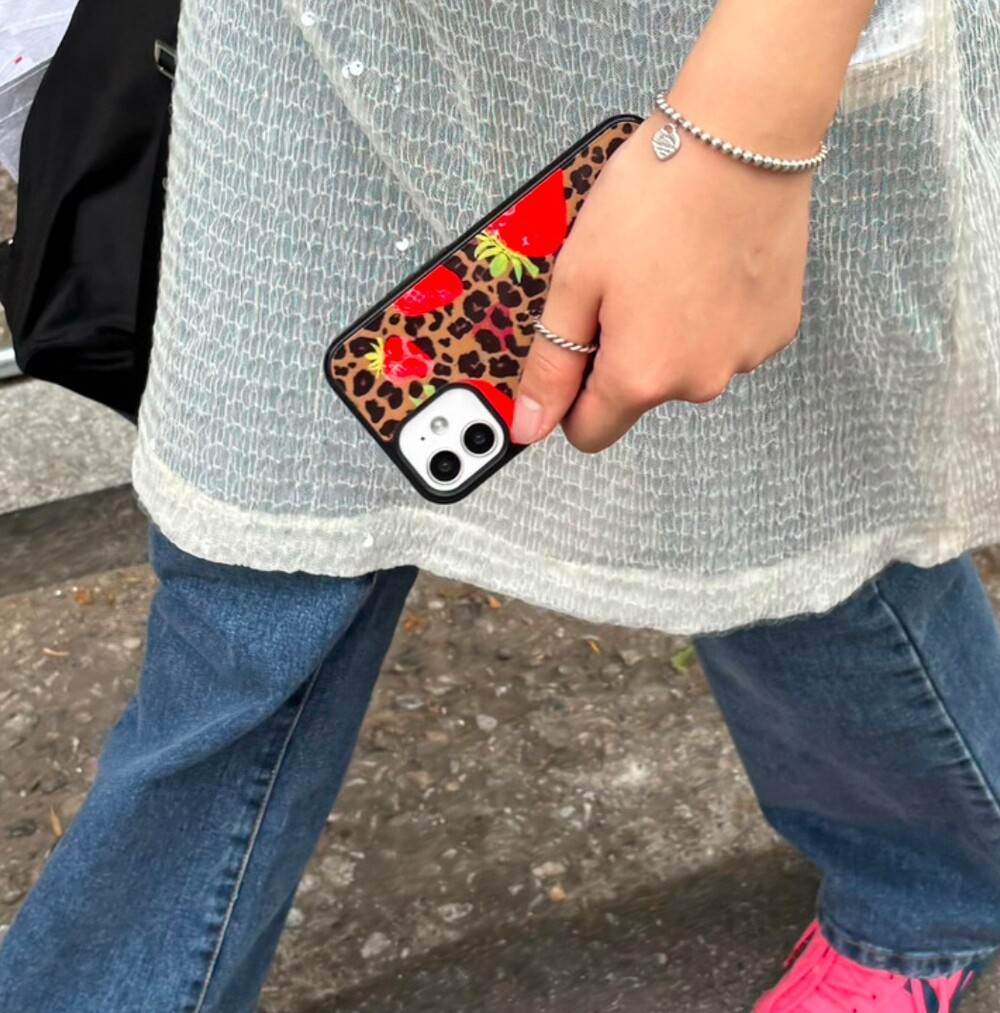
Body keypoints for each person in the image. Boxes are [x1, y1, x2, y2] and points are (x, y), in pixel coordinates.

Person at [2, 0, 1000, 1009]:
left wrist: (740, 129)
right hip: (307, 58)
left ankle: (931, 881)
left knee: (761, 508)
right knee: (251, 568)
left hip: (670, 62)